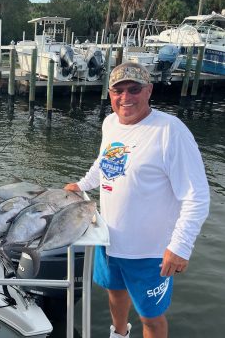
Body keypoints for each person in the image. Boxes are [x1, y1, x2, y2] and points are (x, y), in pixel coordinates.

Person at [64, 62, 209, 338]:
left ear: (149, 91)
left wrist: (180, 245)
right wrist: (82, 185)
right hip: (109, 240)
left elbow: (197, 196)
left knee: (151, 318)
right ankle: (119, 334)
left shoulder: (170, 131)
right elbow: (103, 162)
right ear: (110, 94)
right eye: (118, 91)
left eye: (134, 89)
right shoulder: (110, 123)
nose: (125, 97)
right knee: (115, 295)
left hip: (150, 252)